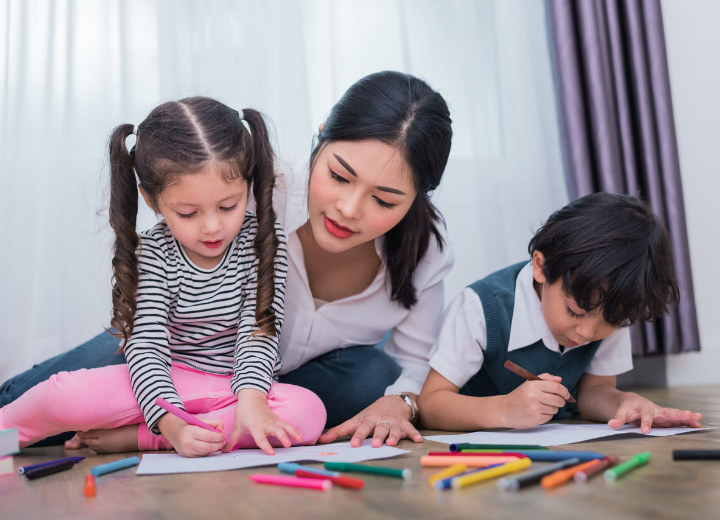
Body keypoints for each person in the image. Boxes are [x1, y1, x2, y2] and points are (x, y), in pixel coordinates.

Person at [0, 70, 454, 449]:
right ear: (319, 139)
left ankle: (148, 432)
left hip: (267, 381)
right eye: (339, 176)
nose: (349, 209)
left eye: (384, 200)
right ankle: (155, 422)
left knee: (371, 374)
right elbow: (150, 335)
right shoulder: (250, 198)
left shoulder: (424, 252)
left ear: (416, 198)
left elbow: (414, 361)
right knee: (35, 404)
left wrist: (403, 402)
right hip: (175, 346)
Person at [0, 97, 326, 457]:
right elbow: (147, 347)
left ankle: (143, 436)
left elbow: (259, 331)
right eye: (188, 213)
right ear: (152, 201)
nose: (212, 226)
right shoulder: (154, 252)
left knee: (307, 412)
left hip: (237, 386)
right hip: (163, 383)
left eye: (228, 206)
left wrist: (251, 400)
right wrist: (171, 422)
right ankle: (9, 438)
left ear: (247, 186)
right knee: (63, 396)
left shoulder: (265, 240)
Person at [418, 193, 703, 433]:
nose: (587, 333)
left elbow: (594, 393)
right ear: (541, 267)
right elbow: (431, 404)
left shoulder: (611, 312)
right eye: (576, 311)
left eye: (610, 322)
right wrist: (504, 410)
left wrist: (624, 403)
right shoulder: (480, 309)